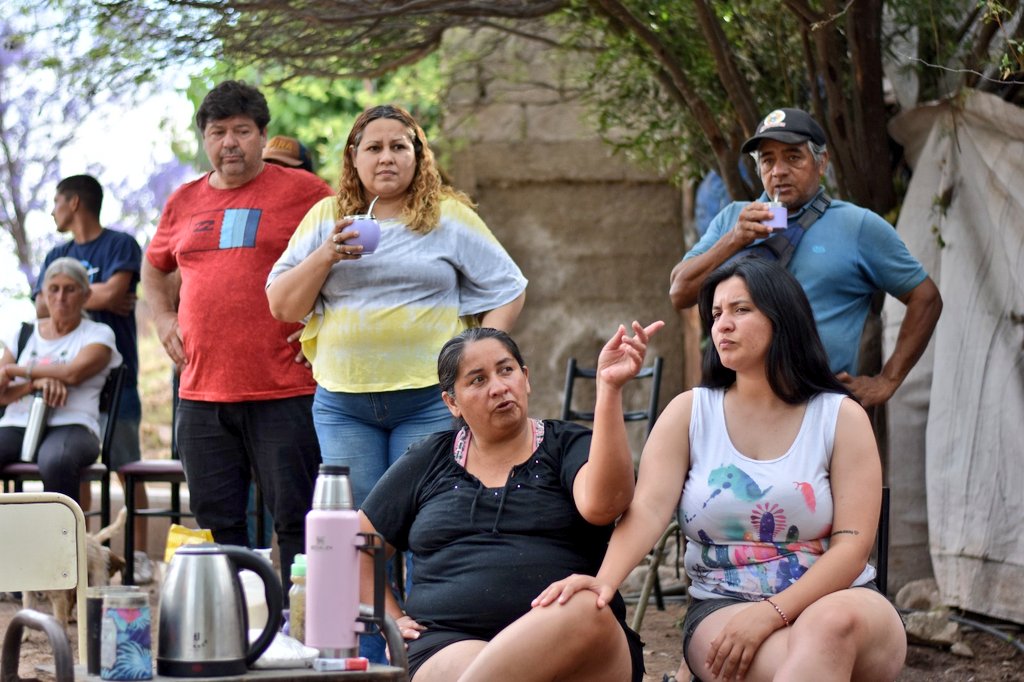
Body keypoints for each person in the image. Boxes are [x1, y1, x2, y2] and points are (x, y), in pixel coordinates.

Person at [539, 258, 906, 682]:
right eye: (715, 314)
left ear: (783, 317)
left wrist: (770, 614)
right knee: (808, 656)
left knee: (828, 627)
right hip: (723, 605)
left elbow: (852, 548)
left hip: (844, 602)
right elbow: (649, 511)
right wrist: (603, 582)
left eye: (740, 310)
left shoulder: (840, 417)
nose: (722, 325)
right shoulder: (690, 414)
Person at [358, 321, 663, 681]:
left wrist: (609, 389)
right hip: (450, 644)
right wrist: (389, 618)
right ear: (451, 402)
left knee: (583, 604)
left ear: (526, 378)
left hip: (574, 642)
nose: (499, 387)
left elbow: (605, 504)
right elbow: (356, 546)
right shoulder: (428, 460)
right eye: (478, 380)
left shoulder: (566, 445)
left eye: (506, 370)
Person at [266, 104, 527, 507]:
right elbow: (282, 305)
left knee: (424, 514)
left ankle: (418, 576)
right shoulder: (326, 217)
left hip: (429, 399)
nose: (386, 157)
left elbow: (508, 288)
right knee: (360, 524)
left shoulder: (448, 217)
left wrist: (480, 358)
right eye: (373, 148)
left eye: (399, 147)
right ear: (354, 157)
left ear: (417, 157)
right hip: (343, 400)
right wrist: (325, 255)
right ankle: (369, 576)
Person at [142, 80, 334, 593]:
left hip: (284, 390)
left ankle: (302, 630)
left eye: (242, 131)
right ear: (205, 139)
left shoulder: (308, 194)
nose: (230, 142)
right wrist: (163, 319)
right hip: (202, 394)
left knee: (296, 519)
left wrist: (324, 325)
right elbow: (155, 266)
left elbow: (350, 256)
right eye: (218, 132)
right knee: (215, 524)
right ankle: (231, 624)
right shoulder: (183, 201)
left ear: (262, 135)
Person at [669, 107, 942, 407]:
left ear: (821, 162)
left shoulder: (858, 226)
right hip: (736, 406)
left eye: (793, 157)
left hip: (817, 405)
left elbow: (925, 298)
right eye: (768, 160)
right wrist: (735, 239)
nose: (779, 171)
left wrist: (886, 381)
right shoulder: (733, 218)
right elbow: (680, 292)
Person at [33, 174, 154, 581]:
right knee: (75, 466)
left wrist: (100, 294)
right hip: (71, 387)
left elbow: (117, 290)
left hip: (116, 380)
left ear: (74, 204)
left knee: (125, 464)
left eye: (56, 202)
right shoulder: (57, 252)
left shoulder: (120, 244)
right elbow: (40, 309)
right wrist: (101, 294)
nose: (52, 211)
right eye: (59, 288)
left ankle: (137, 553)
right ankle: (79, 551)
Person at [0, 258, 122, 503]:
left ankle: (63, 540)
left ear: (86, 295)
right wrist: (34, 384)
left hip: (74, 424)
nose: (60, 297)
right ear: (43, 294)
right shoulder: (23, 333)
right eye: (53, 289)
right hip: (17, 422)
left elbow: (71, 374)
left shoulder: (98, 334)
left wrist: (16, 369)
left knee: (57, 460)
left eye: (70, 289)